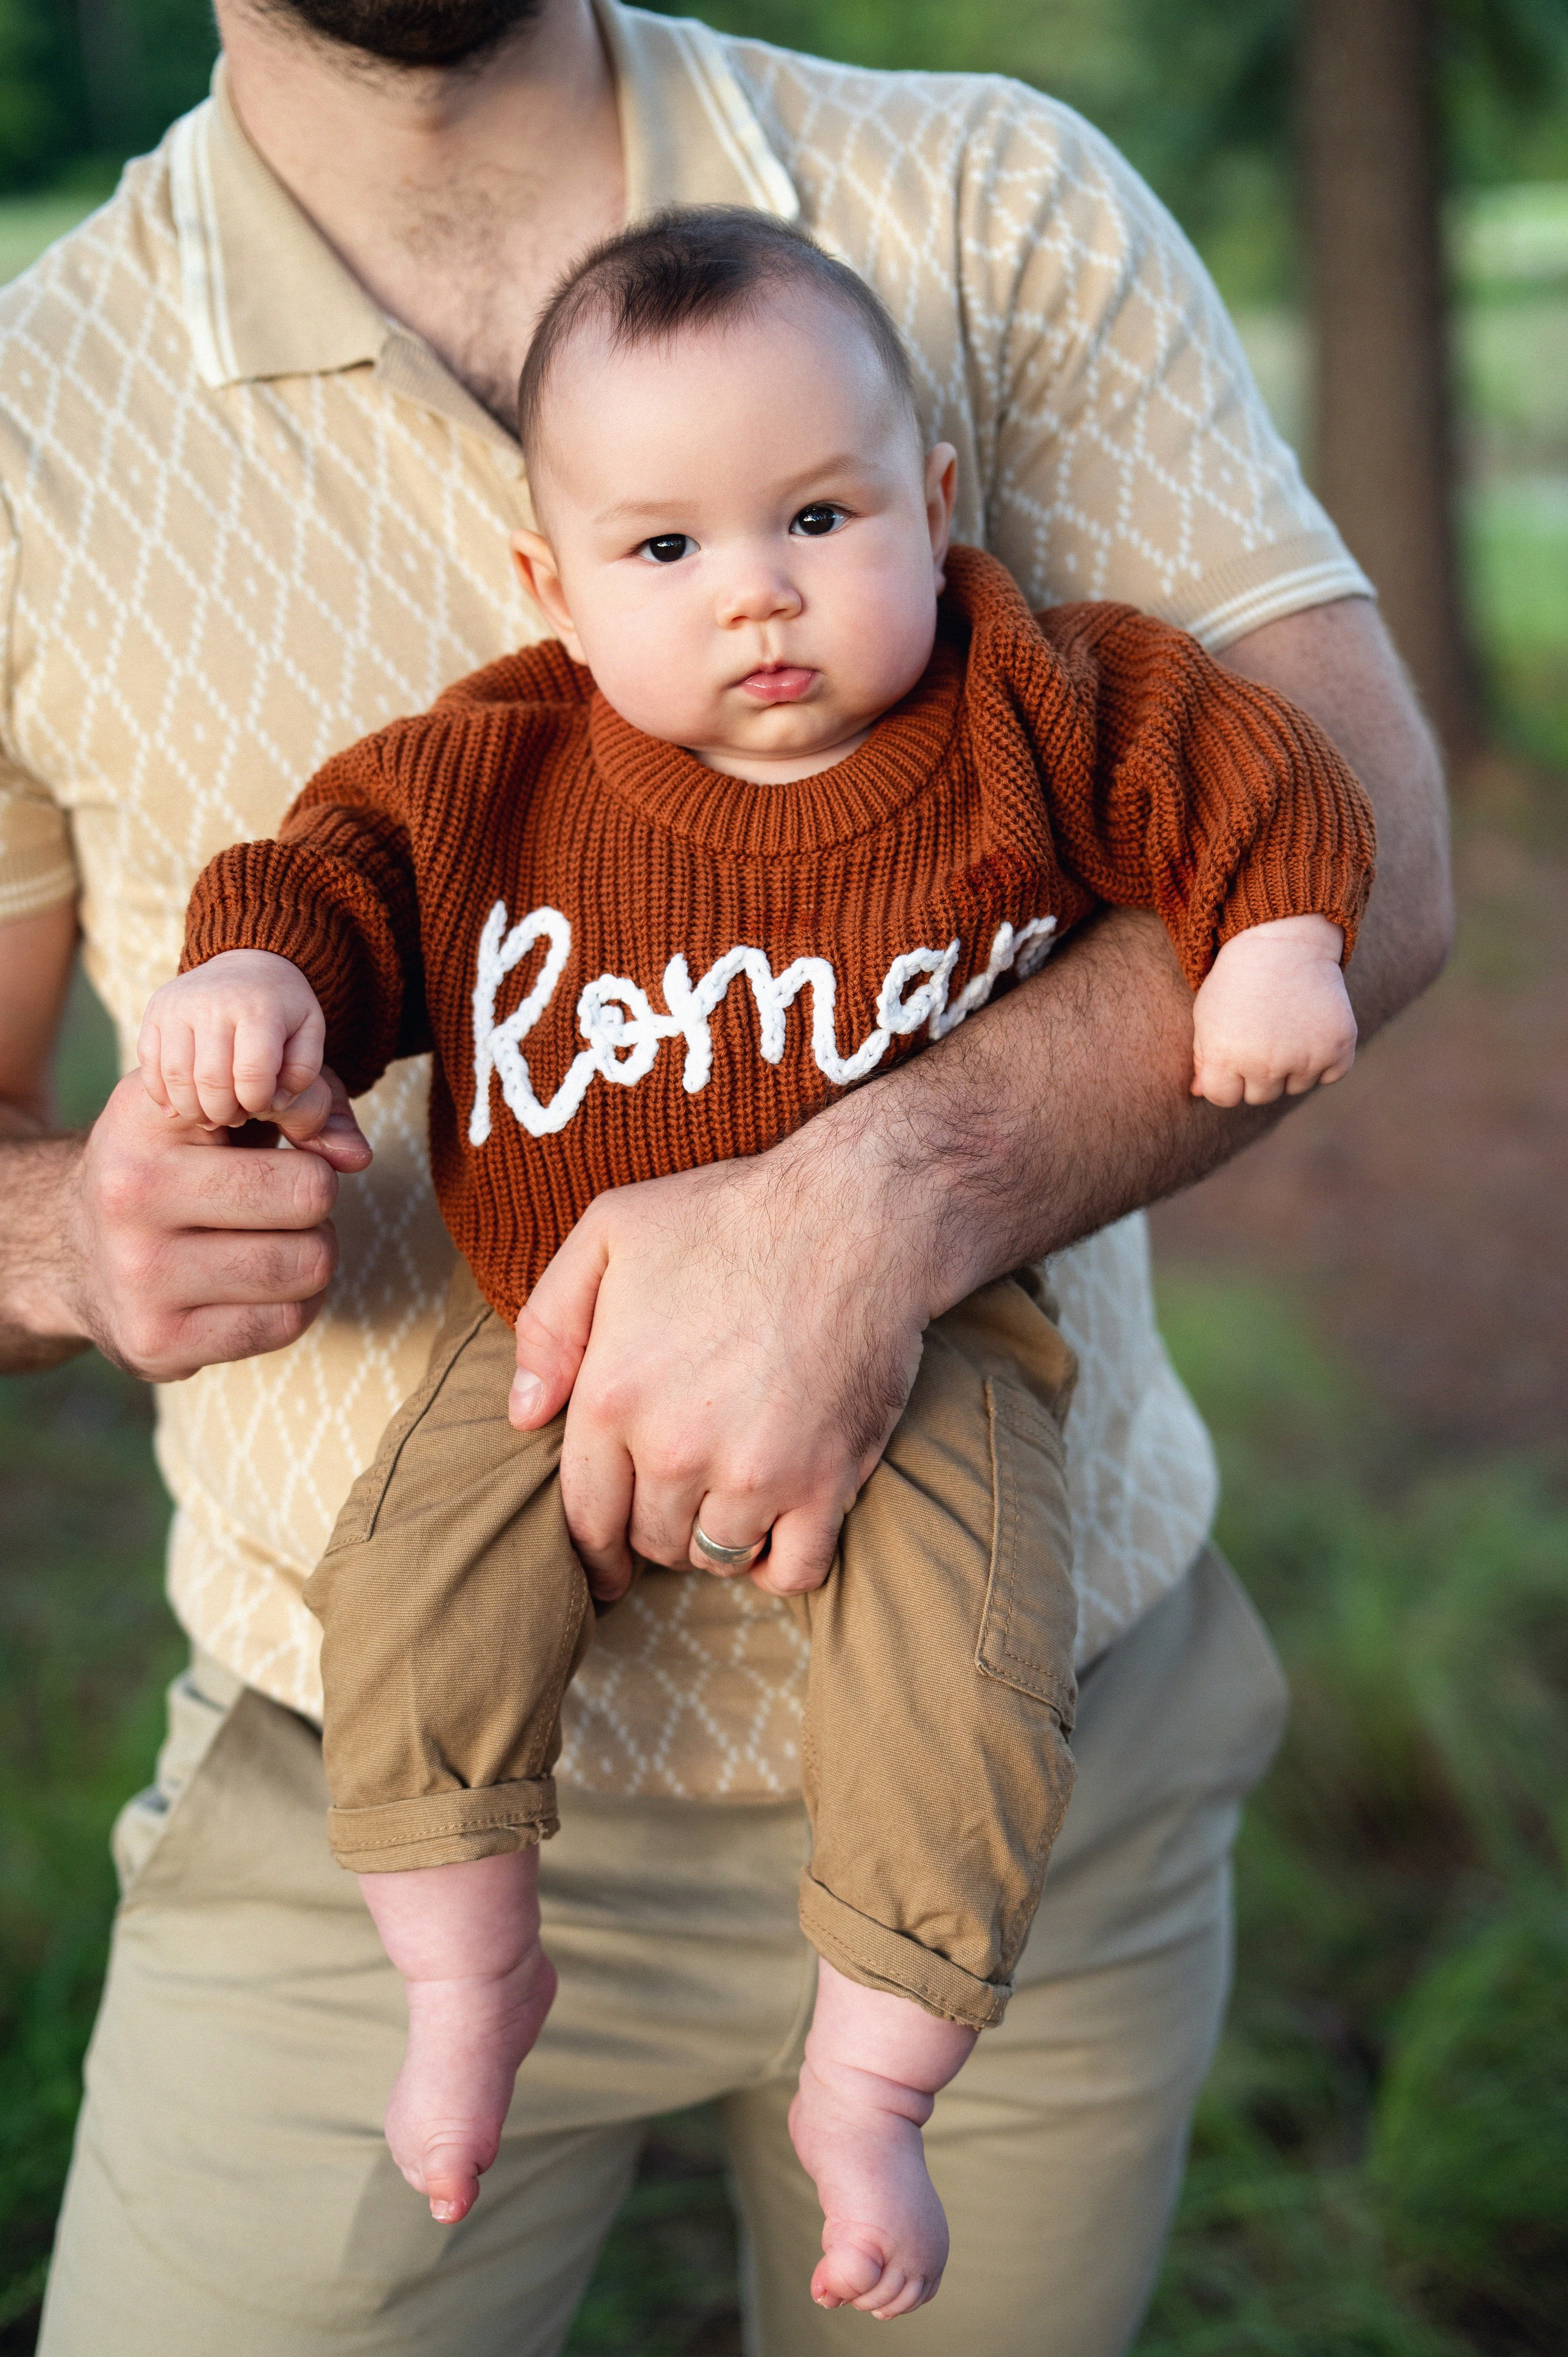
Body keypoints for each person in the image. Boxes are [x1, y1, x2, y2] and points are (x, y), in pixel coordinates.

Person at [0, 3, 1449, 2351]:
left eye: (817, 522)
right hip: (341, 1721)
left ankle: (886, 2063)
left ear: (928, 497)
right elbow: (336, 873)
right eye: (672, 544)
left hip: (1038, 1739)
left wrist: (933, 1174)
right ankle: (458, 1955)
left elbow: (1296, 793)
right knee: (434, 1559)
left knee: (951, 1617)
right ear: (555, 584)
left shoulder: (986, 278)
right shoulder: (121, 473)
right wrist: (113, 1164)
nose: (757, 597)